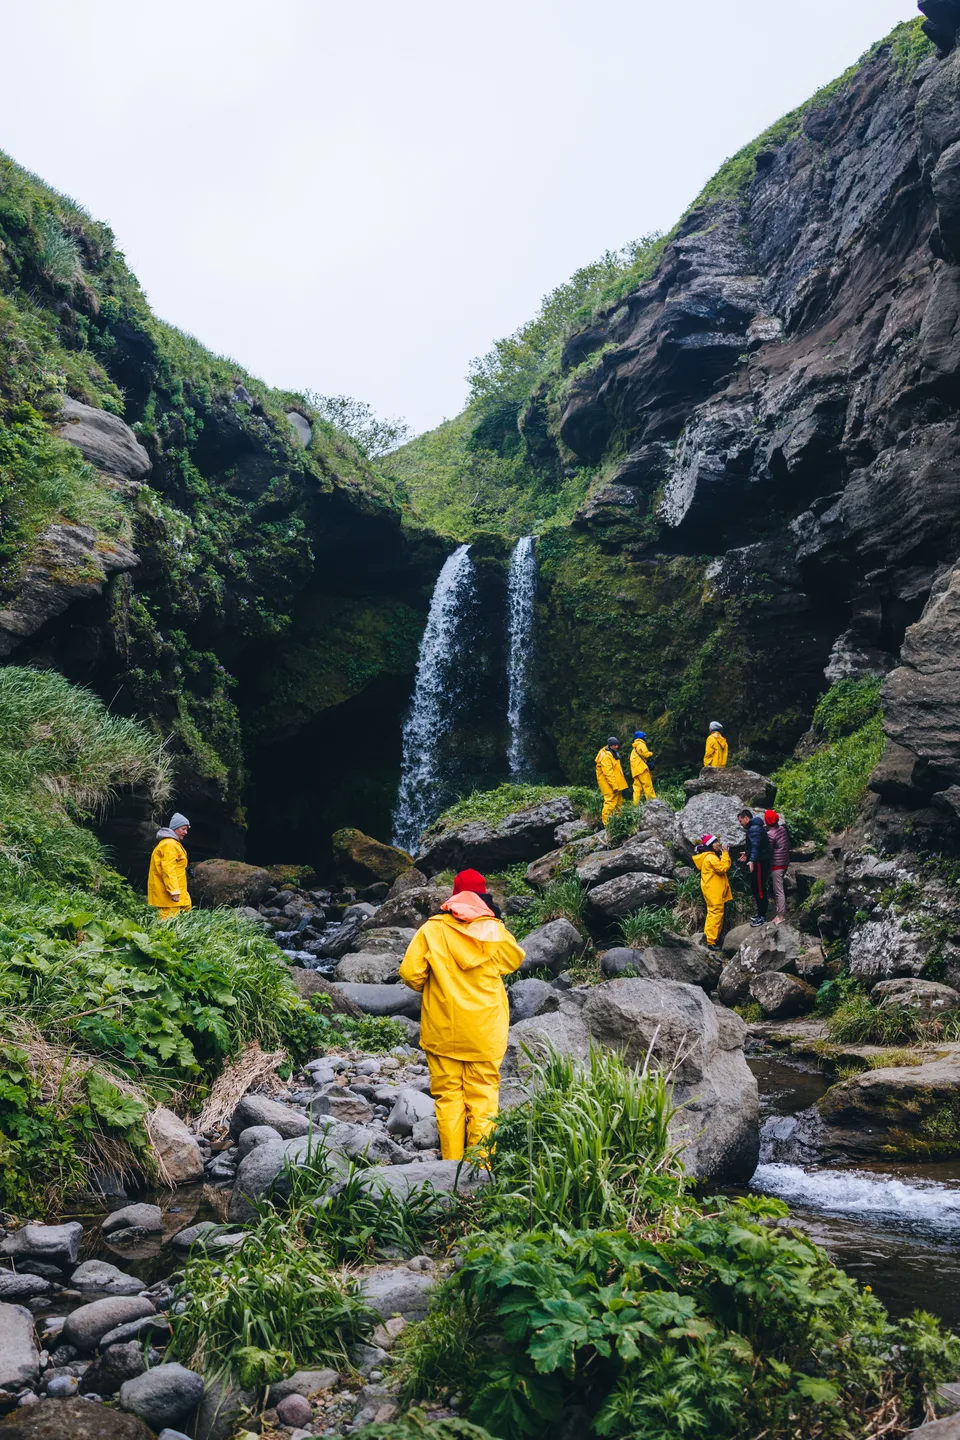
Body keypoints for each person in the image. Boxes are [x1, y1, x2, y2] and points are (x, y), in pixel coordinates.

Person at [399, 869, 525, 1161]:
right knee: (483, 1099)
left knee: (448, 1098)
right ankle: (481, 1170)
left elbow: (410, 973)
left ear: (453, 895)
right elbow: (513, 960)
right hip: (485, 1029)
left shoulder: (431, 929)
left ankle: (451, 1168)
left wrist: (432, 983)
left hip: (443, 1028)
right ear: (483, 896)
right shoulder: (495, 930)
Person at [147, 812, 192, 919]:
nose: (186, 832)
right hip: (168, 898)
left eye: (186, 829)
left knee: (186, 910)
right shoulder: (169, 845)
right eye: (183, 829)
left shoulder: (171, 843)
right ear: (175, 829)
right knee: (167, 925)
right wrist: (174, 891)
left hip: (176, 894)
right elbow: (168, 869)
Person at [692, 834, 732, 951]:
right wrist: (725, 854)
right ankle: (710, 941)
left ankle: (711, 939)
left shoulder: (706, 857)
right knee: (715, 914)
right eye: (715, 843)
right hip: (714, 891)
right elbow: (723, 868)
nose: (718, 844)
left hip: (711, 890)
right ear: (710, 845)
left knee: (713, 914)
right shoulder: (711, 858)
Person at [738, 807, 771, 927]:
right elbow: (754, 846)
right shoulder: (755, 828)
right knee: (756, 888)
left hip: (760, 863)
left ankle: (762, 916)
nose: (740, 825)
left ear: (746, 818)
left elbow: (756, 846)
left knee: (760, 889)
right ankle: (760, 914)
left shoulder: (754, 829)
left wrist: (751, 860)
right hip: (759, 861)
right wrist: (747, 854)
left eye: (741, 821)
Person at [595, 737, 629, 827]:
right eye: (614, 745)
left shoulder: (613, 753)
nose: (616, 746)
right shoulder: (606, 756)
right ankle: (606, 824)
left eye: (617, 744)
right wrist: (614, 785)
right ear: (610, 745)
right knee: (609, 802)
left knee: (618, 802)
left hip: (616, 783)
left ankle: (618, 821)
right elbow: (608, 773)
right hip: (608, 784)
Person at [765, 809, 790, 924]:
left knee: (778, 890)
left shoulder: (770, 834)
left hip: (777, 865)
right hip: (785, 862)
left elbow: (768, 851)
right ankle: (779, 913)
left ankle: (780, 916)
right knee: (779, 889)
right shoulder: (782, 829)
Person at [630, 731, 656, 804]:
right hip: (642, 769)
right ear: (641, 737)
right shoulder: (641, 744)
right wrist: (651, 753)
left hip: (635, 771)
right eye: (644, 737)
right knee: (648, 786)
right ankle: (653, 803)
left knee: (637, 788)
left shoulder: (634, 749)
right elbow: (645, 754)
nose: (645, 738)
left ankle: (635, 804)